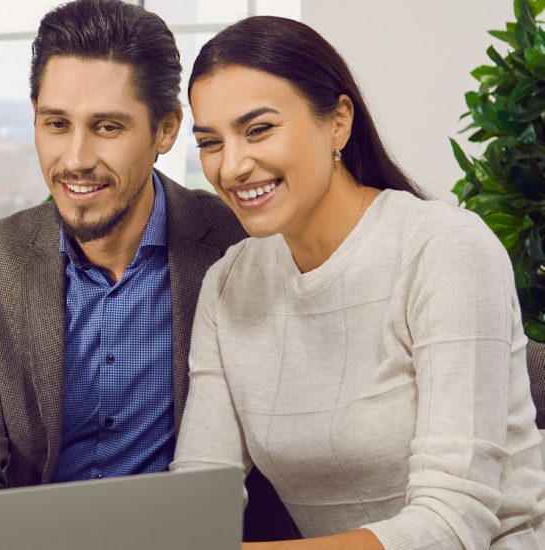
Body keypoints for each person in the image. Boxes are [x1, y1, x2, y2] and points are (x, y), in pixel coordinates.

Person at [0, 0, 299, 540]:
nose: (75, 158)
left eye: (108, 127)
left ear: (165, 130)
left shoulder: (240, 244)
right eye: (56, 124)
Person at [172, 15, 545, 549]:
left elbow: (454, 521)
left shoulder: (444, 250)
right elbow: (199, 498)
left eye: (259, 130)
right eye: (211, 142)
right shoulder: (229, 284)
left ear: (338, 123)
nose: (231, 167)